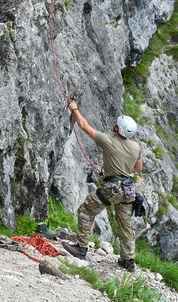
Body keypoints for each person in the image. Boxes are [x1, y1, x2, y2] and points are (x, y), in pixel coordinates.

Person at [62, 100, 143, 272]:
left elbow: (83, 125)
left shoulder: (108, 141)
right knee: (125, 224)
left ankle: (81, 248)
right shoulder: (136, 147)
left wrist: (74, 108)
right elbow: (138, 168)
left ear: (117, 128)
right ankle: (128, 261)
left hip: (112, 187)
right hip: (128, 189)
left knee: (85, 210)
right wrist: (119, 168)